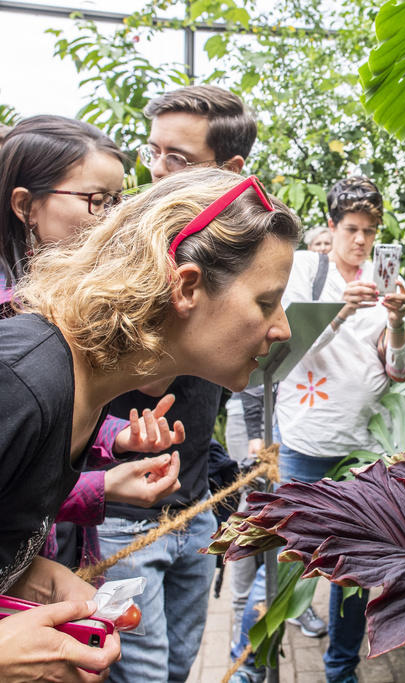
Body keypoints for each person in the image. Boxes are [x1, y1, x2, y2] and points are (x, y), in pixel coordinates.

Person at [0, 166, 300, 680]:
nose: (283, 328)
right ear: (186, 287)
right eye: (265, 302)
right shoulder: (23, 381)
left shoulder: (84, 397)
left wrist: (30, 576)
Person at [90, 85, 267, 683]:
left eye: (180, 159)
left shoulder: (240, 255)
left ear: (233, 171)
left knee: (176, 670)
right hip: (122, 516)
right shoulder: (123, 246)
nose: (157, 171)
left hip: (194, 511)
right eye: (154, 152)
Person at [230, 175, 405, 683]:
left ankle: (340, 671)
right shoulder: (304, 274)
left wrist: (396, 319)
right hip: (304, 448)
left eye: (370, 232)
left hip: (363, 455)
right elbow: (274, 355)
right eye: (352, 229)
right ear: (332, 227)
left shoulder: (388, 284)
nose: (361, 241)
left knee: (352, 578)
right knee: (285, 569)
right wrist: (340, 312)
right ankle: (248, 667)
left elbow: (400, 370)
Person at [0, 115, 186, 572]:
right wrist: (101, 487)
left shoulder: (55, 297)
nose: (112, 220)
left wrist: (112, 437)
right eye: (96, 201)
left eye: (118, 201)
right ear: (25, 205)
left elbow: (43, 422)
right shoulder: (15, 331)